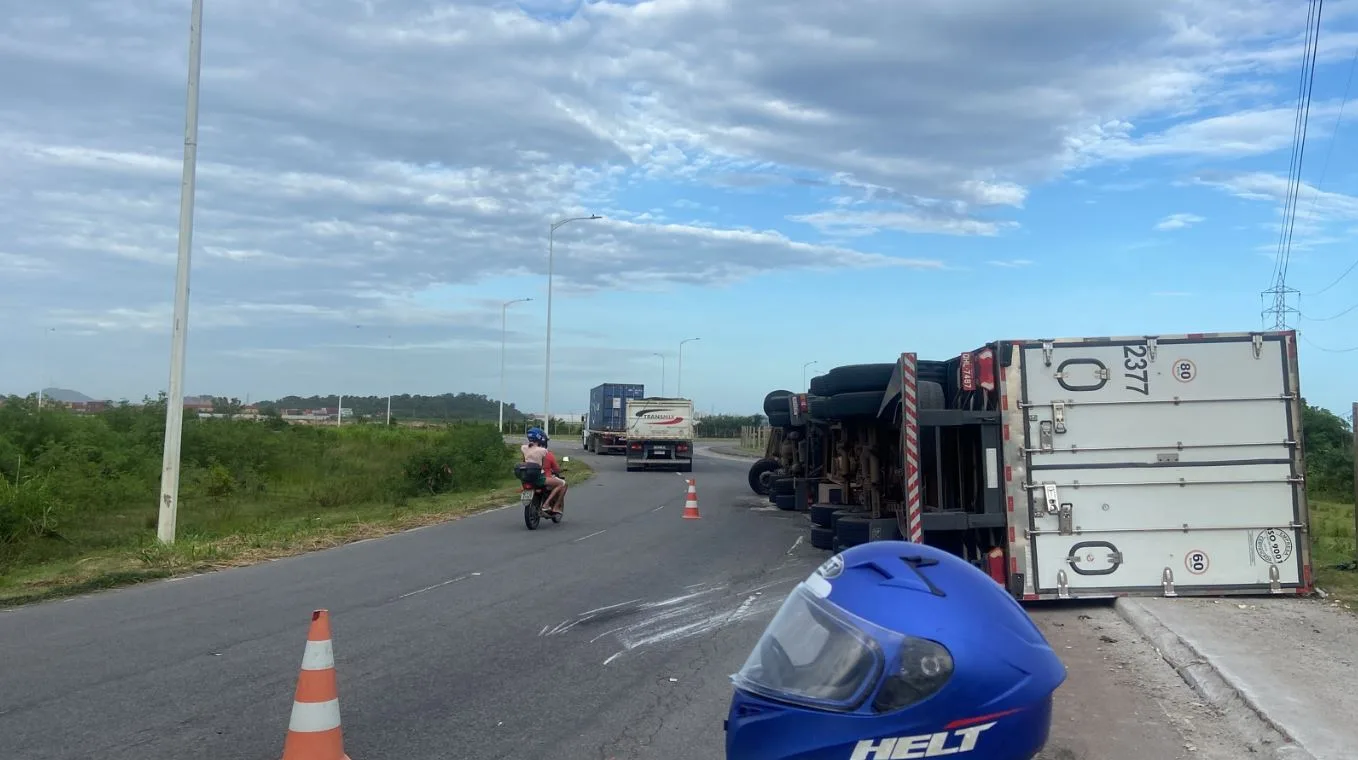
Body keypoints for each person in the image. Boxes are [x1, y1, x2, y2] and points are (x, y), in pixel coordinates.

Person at [521, 427, 565, 515]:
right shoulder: (544, 451)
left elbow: (524, 461)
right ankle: (546, 505)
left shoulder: (524, 448)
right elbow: (547, 466)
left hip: (527, 478)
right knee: (562, 483)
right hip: (539, 478)